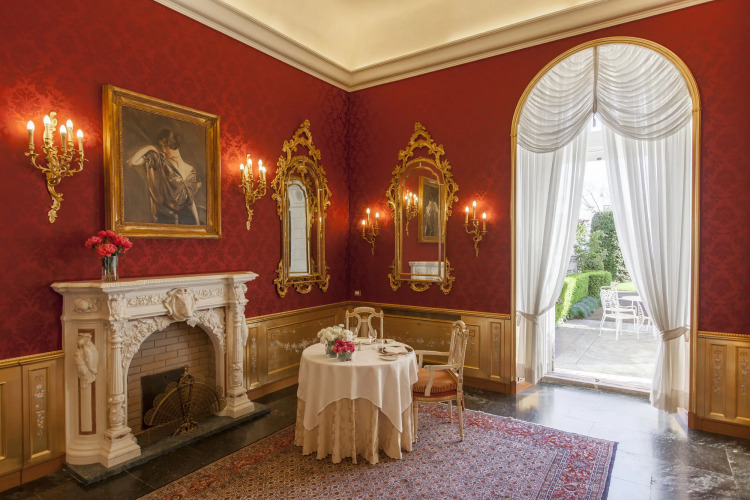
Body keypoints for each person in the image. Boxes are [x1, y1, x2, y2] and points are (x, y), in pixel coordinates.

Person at [126, 129, 201, 224]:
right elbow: (130, 162)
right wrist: (150, 147)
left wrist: (197, 223)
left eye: (166, 146)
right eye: (162, 146)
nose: (163, 150)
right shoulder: (160, 161)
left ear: (174, 145)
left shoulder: (191, 170)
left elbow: (190, 201)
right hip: (166, 216)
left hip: (185, 217)